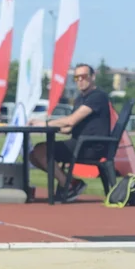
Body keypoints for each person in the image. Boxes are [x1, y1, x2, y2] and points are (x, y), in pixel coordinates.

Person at [29, 63, 111, 202]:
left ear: (93, 77)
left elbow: (71, 121)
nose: (80, 80)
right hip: (79, 143)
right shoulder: (80, 99)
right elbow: (69, 128)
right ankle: (71, 182)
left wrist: (45, 124)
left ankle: (69, 185)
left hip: (91, 146)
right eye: (76, 77)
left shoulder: (97, 96)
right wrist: (47, 128)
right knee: (33, 155)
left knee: (40, 151)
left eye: (83, 76)